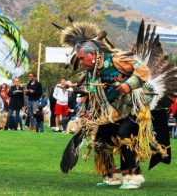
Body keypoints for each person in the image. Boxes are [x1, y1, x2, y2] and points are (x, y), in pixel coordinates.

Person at [56, 20, 170, 190]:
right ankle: (111, 176)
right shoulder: (92, 71)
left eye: (82, 58)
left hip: (133, 108)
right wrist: (74, 87)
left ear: (93, 55)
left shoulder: (117, 59)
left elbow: (143, 70)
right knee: (100, 138)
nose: (80, 62)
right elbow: (95, 91)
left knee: (125, 134)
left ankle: (132, 176)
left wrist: (128, 84)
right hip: (111, 112)